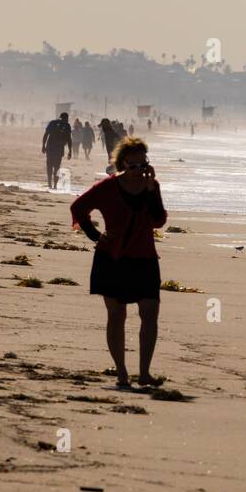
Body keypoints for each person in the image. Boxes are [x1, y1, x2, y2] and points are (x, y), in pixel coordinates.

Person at [70, 137, 168, 389]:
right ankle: (122, 373)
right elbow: (79, 207)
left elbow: (159, 221)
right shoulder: (107, 187)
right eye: (134, 166)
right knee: (116, 315)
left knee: (150, 312)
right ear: (123, 163)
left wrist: (149, 191)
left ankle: (144, 373)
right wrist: (96, 235)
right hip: (111, 259)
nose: (139, 170)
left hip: (145, 258)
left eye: (143, 164)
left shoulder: (151, 187)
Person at [42, 112, 73, 190]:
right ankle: (54, 184)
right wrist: (70, 151)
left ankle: (50, 184)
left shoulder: (53, 123)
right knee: (56, 167)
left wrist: (43, 146)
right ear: (66, 118)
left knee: (50, 166)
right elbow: (69, 139)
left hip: (50, 147)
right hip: (59, 148)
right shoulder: (67, 125)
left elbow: (46, 134)